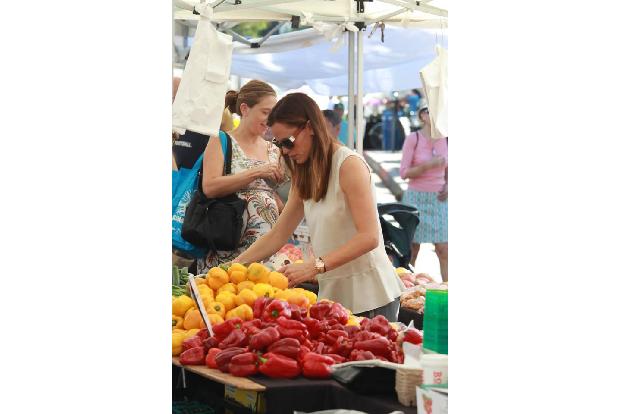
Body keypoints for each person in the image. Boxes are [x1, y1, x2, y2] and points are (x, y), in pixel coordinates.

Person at [234, 93, 404, 321]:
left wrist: (315, 266)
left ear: (310, 127)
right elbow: (278, 235)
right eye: (278, 143)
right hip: (333, 297)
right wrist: (229, 268)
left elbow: (369, 237)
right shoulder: (304, 171)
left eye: (288, 141)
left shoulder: (349, 165)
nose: (284, 151)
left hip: (370, 296)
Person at [197, 80, 288, 273]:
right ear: (245, 109)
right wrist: (257, 172)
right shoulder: (220, 140)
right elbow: (210, 187)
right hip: (226, 249)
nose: (270, 120)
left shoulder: (274, 149)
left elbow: (275, 197)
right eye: (265, 113)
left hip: (265, 255)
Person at [399, 105, 448, 282]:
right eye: (429, 110)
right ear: (422, 116)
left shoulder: (447, 139)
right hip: (415, 198)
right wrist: (429, 165)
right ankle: (408, 291)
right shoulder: (414, 138)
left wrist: (448, 185)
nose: (434, 112)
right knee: (412, 249)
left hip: (439, 199)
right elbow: (404, 173)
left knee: (444, 249)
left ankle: (447, 291)